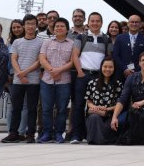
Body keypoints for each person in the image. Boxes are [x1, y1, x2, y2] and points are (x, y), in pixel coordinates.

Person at [70, 11, 111, 144]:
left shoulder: (106, 39)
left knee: (96, 106)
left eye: (97, 21)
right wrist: (80, 72)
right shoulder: (80, 37)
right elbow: (75, 55)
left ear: (101, 23)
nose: (95, 23)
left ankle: (91, 133)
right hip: (83, 74)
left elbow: (108, 57)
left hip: (99, 76)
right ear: (88, 22)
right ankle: (76, 134)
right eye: (92, 21)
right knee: (79, 105)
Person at [2, 14, 43, 144]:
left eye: (32, 23)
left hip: (34, 80)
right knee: (16, 108)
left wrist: (25, 72)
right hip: (18, 80)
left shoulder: (41, 42)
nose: (30, 26)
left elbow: (39, 61)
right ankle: (13, 133)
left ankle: (30, 135)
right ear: (24, 25)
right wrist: (19, 73)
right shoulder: (17, 42)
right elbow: (13, 58)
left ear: (36, 26)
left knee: (32, 108)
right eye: (27, 23)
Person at [38, 17, 74, 143]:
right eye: (57, 26)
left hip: (64, 81)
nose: (59, 28)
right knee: (46, 108)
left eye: (62, 26)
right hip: (47, 80)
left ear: (67, 29)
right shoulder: (47, 42)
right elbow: (42, 58)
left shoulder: (72, 43)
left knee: (62, 109)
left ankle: (59, 133)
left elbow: (72, 61)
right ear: (53, 29)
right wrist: (52, 71)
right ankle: (47, 133)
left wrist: (59, 71)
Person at [84, 57, 122, 145]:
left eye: (110, 67)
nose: (107, 69)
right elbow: (89, 101)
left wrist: (106, 109)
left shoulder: (118, 84)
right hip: (95, 113)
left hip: (110, 115)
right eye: (105, 67)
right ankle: (99, 140)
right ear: (101, 68)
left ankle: (99, 140)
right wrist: (97, 108)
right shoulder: (92, 83)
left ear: (114, 68)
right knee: (94, 118)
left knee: (112, 123)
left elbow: (120, 103)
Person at [4, 19, 26, 137]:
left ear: (23, 27)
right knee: (12, 105)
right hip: (11, 77)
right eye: (14, 27)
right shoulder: (9, 43)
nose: (16, 29)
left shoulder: (28, 40)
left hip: (27, 76)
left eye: (18, 27)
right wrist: (7, 76)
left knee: (25, 106)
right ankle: (11, 132)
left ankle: (22, 132)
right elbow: (6, 61)